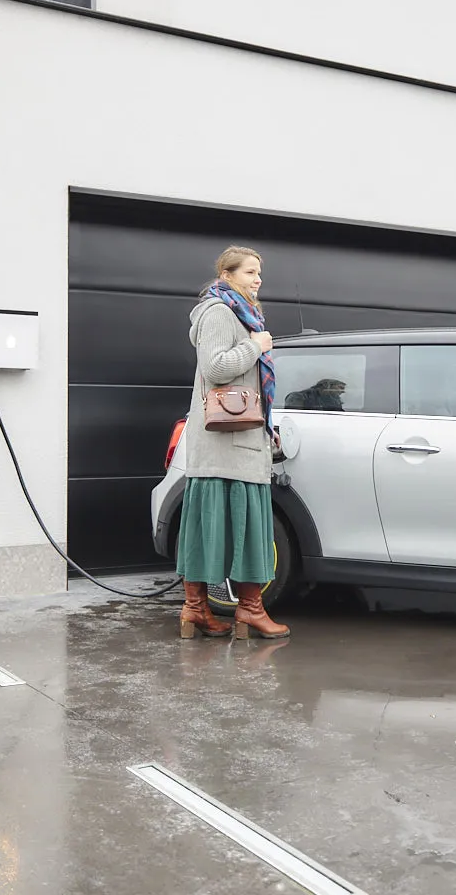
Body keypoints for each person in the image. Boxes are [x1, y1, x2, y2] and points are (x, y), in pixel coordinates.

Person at [174, 246, 291, 640]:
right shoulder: (220, 312)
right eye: (250, 272)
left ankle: (204, 610)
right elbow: (215, 368)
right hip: (225, 447)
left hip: (239, 444)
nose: (258, 279)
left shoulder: (242, 313)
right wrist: (256, 346)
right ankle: (237, 610)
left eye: (259, 272)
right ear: (226, 275)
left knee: (229, 530)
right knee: (231, 530)